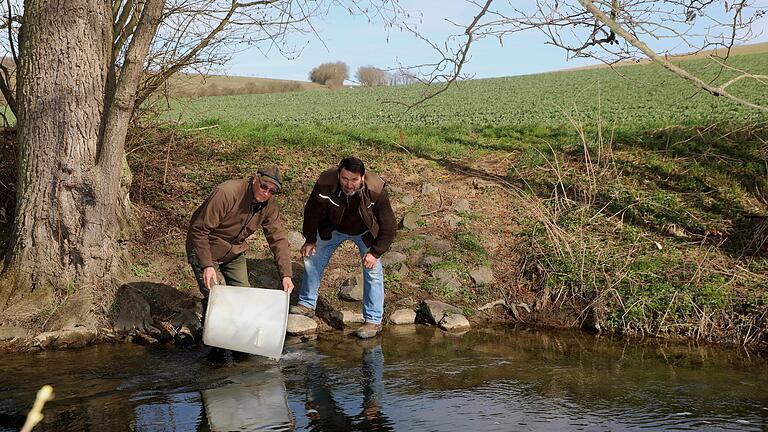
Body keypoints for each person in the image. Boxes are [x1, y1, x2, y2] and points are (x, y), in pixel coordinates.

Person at [291, 156, 396, 339]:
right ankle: (306, 305)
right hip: (332, 229)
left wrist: (375, 252)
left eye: (354, 180)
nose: (349, 184)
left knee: (373, 271)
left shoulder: (376, 189)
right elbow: (311, 211)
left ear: (362, 178)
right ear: (339, 174)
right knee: (312, 258)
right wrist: (310, 240)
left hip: (364, 232)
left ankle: (373, 321)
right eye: (345, 179)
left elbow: (389, 226)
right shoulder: (325, 182)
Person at [186, 166, 294, 310]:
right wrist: (207, 265)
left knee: (243, 298)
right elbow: (199, 230)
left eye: (271, 191)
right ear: (255, 178)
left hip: (234, 251)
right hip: (205, 248)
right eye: (264, 186)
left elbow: (278, 239)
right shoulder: (227, 193)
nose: (266, 192)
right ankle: (197, 319)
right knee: (217, 298)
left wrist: (286, 275)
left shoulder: (269, 205)